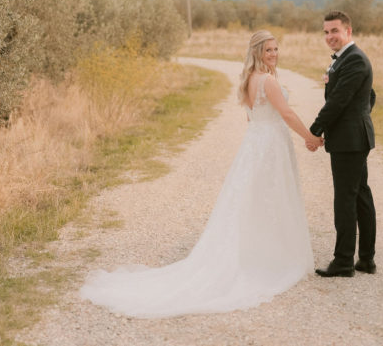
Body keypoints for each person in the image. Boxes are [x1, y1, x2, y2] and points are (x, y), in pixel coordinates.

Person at [80, 30, 322, 317]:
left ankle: (265, 251)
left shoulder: (248, 79)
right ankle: (271, 258)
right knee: (270, 196)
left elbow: (250, 117)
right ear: (257, 52)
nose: (273, 54)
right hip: (269, 145)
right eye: (268, 50)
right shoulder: (267, 80)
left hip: (256, 143)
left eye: (276, 49)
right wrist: (310, 137)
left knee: (256, 199)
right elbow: (287, 114)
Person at [309, 10, 377, 278]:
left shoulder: (355, 60)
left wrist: (315, 130)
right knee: (360, 195)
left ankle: (344, 261)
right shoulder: (347, 59)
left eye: (334, 31)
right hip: (353, 137)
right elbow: (368, 96)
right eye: (326, 32)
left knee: (346, 199)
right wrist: (359, 116)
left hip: (349, 141)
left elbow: (337, 101)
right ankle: (366, 260)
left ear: (348, 31)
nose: (330, 37)